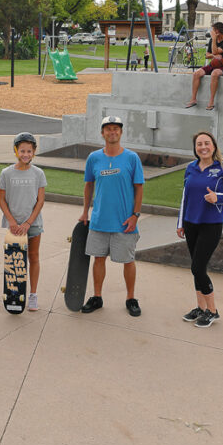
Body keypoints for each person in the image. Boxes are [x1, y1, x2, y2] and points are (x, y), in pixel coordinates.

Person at [79, 116, 144, 316]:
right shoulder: (94, 158)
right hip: (99, 220)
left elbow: (139, 188)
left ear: (121, 132)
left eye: (116, 128)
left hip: (124, 222)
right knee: (98, 259)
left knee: (128, 261)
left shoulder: (132, 158)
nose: (112, 132)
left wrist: (135, 215)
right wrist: (85, 212)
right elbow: (88, 185)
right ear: (102, 133)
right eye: (108, 129)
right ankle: (97, 297)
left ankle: (131, 298)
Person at [176, 131, 223, 328]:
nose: (203, 147)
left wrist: (217, 197)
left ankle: (212, 311)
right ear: (195, 148)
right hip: (190, 223)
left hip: (211, 224)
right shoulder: (190, 168)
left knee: (197, 267)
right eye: (199, 144)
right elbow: (185, 197)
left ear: (213, 146)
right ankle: (200, 308)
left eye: (206, 143)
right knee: (197, 268)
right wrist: (180, 223)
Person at [0, 133, 47, 311]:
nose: (26, 154)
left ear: (34, 152)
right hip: (14, 227)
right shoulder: (6, 173)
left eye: (29, 151)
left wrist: (28, 223)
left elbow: (40, 201)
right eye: (22, 151)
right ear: (16, 151)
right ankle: (14, 294)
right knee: (14, 262)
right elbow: (1, 199)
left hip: (33, 225)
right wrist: (12, 221)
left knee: (33, 257)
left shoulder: (38, 173)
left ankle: (33, 295)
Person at [185, 22, 223, 111]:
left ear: (217, 31)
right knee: (196, 73)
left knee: (214, 74)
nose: (211, 32)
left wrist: (214, 41)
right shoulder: (211, 40)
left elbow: (214, 51)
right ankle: (193, 99)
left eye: (212, 30)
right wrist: (214, 56)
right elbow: (207, 55)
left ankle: (211, 101)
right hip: (213, 64)